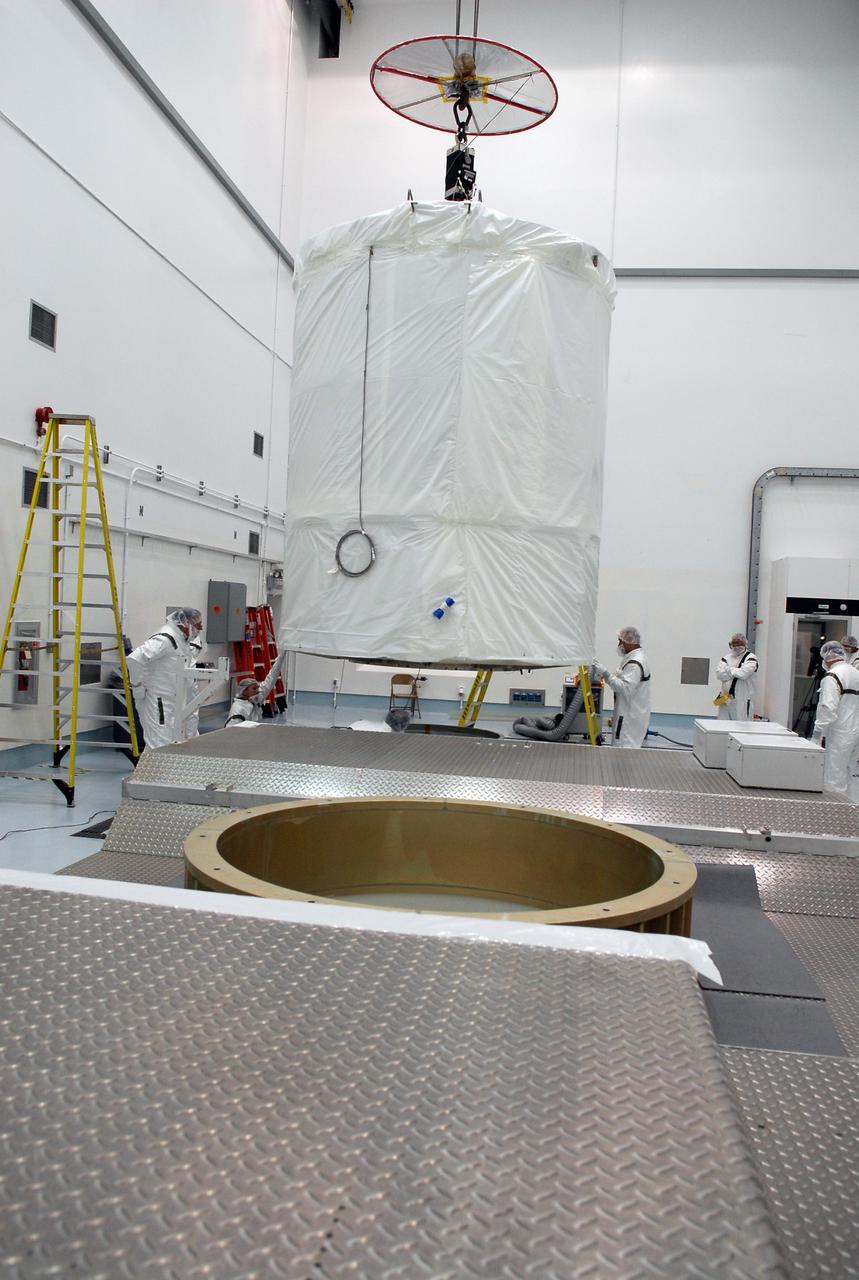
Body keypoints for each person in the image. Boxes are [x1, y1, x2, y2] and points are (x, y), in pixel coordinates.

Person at [126, 608, 203, 749]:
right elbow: (134, 659)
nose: (201, 628)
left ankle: (162, 770)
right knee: (159, 744)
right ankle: (157, 770)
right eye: (198, 625)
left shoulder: (182, 640)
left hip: (173, 700)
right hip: (158, 701)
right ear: (185, 624)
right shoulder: (165, 639)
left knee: (172, 741)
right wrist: (137, 687)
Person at [811, 641, 859, 795]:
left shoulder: (832, 676)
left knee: (834, 775)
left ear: (826, 657)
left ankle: (837, 812)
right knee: (853, 773)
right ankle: (853, 810)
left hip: (840, 732)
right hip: (856, 732)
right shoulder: (855, 672)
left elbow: (828, 708)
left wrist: (817, 735)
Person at [593, 626, 651, 748]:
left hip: (628, 719)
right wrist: (617, 675)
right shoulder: (634, 657)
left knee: (623, 752)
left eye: (621, 641)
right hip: (630, 714)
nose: (619, 645)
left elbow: (625, 688)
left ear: (630, 642)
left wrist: (606, 674)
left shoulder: (635, 663)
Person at [225, 649, 287, 726]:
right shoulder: (237, 710)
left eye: (257, 688)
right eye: (254, 688)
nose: (258, 691)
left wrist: (282, 655)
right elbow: (230, 732)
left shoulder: (254, 699)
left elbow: (271, 679)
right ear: (244, 691)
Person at [714, 633, 758, 720]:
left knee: (741, 726)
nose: (736, 646)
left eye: (739, 643)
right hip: (725, 698)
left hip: (742, 699)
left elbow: (744, 674)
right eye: (734, 643)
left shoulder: (751, 658)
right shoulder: (726, 658)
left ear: (745, 644)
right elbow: (719, 674)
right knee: (722, 725)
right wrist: (736, 672)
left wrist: (728, 669)